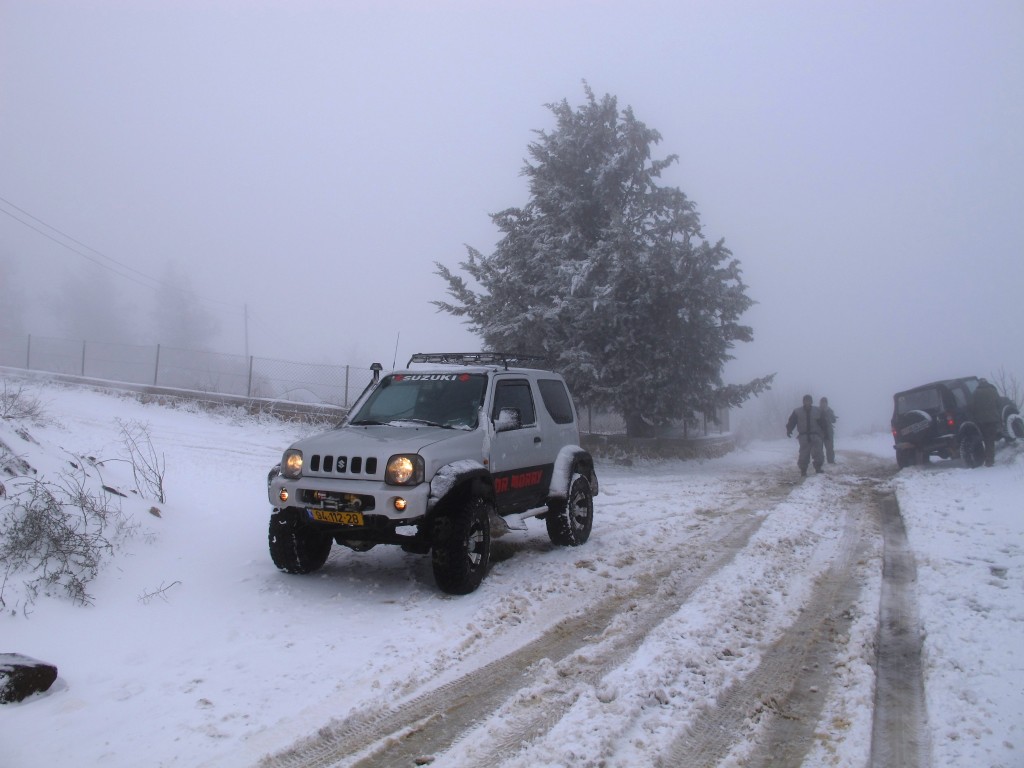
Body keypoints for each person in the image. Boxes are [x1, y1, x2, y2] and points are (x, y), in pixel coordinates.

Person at [786, 394, 828, 476]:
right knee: (804, 453)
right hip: (804, 436)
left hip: (816, 435)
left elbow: (823, 422)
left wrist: (825, 432)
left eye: (809, 401)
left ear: (811, 402)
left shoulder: (818, 411)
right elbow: (792, 421)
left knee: (818, 452)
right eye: (806, 401)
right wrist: (789, 430)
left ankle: (818, 468)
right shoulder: (797, 412)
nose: (807, 402)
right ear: (803, 402)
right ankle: (803, 470)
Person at [970, 377, 1002, 467]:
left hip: (981, 421)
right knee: (990, 440)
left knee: (985, 439)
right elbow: (999, 404)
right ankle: (990, 460)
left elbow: (972, 407)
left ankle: (986, 459)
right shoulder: (993, 391)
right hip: (993, 419)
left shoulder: (975, 393)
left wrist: (974, 417)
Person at [819, 397, 838, 464]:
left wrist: (830, 416)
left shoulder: (830, 410)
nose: (823, 404)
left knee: (829, 448)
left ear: (826, 403)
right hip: (819, 432)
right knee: (819, 448)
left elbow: (834, 420)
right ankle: (820, 461)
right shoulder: (816, 410)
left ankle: (831, 461)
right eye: (822, 402)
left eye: (825, 402)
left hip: (828, 432)